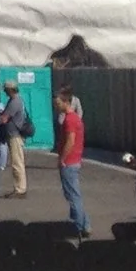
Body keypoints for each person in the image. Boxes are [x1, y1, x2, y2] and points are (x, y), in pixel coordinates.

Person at [54, 89, 91, 241]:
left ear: (66, 102)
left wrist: (62, 158)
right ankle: (85, 224)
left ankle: (79, 226)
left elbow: (70, 140)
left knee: (72, 196)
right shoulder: (75, 118)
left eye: (58, 103)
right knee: (74, 194)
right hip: (74, 161)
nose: (56, 106)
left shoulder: (69, 120)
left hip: (69, 162)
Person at [1, 81, 32, 198]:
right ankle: (19, 187)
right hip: (14, 134)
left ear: (10, 90)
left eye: (5, 89)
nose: (4, 91)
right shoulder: (16, 100)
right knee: (17, 161)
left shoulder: (14, 102)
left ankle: (20, 189)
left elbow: (4, 119)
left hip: (15, 135)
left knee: (17, 162)